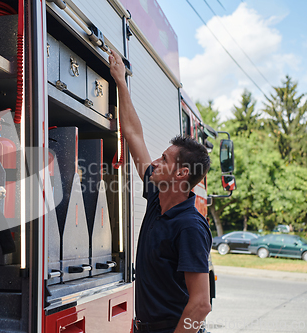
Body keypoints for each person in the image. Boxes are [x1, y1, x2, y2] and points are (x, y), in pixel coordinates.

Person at [109, 50, 213, 333]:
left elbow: (202, 305)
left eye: (164, 159)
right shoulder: (158, 198)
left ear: (181, 174)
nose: (154, 161)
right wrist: (120, 81)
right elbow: (133, 134)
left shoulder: (189, 227)